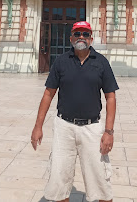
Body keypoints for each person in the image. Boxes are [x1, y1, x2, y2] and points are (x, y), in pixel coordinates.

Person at [31, 21, 119, 202]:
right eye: (77, 34)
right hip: (64, 127)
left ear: (91, 39)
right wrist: (38, 126)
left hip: (92, 128)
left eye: (85, 34)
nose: (81, 37)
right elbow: (48, 94)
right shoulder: (61, 61)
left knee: (100, 181)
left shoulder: (101, 62)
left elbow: (110, 97)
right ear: (71, 37)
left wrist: (109, 132)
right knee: (59, 180)